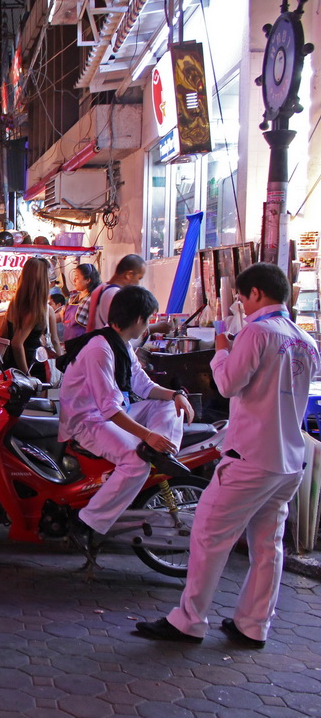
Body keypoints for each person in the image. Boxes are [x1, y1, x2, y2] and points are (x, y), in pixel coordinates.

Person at [136, 264, 320, 647]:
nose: (240, 303)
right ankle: (254, 625)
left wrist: (222, 351)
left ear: (256, 293)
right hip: (289, 459)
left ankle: (188, 621)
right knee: (268, 546)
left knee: (209, 534)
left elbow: (226, 383)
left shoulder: (258, 332)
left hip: (251, 456)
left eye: (241, 296)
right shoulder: (305, 340)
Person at [57, 285, 194, 546]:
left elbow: (143, 386)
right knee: (136, 462)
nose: (149, 326)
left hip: (116, 411)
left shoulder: (121, 344)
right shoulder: (100, 349)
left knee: (168, 406)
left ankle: (162, 452)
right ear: (139, 320)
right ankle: (86, 521)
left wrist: (177, 394)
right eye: (150, 319)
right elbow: (109, 408)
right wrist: (147, 435)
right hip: (87, 421)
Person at [1, 258, 61, 378]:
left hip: (11, 368)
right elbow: (17, 343)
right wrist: (27, 375)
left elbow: (3, 334)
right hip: (32, 367)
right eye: (49, 278)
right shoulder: (39, 309)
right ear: (42, 281)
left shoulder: (15, 303)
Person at [63, 263, 100, 340]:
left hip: (83, 344)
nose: (74, 280)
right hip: (69, 343)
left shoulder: (92, 300)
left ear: (87, 280)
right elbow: (60, 315)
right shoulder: (73, 298)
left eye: (77, 277)